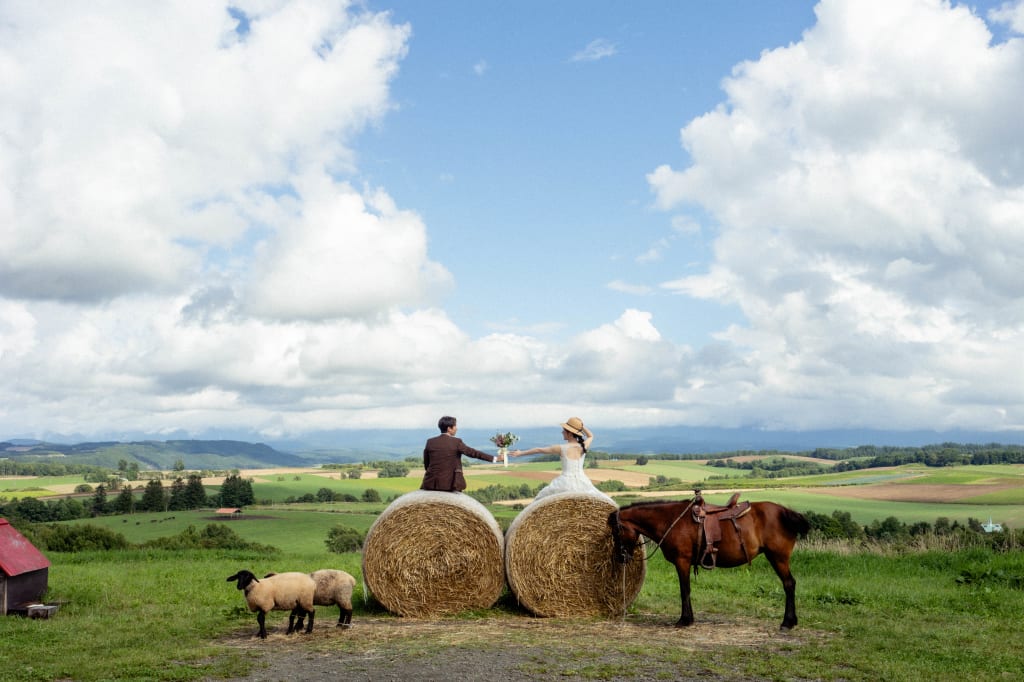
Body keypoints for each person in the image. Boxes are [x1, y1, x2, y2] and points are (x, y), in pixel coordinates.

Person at [508, 417, 614, 504]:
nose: (562, 432)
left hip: (565, 482)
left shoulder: (561, 448)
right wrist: (581, 427)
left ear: (570, 433)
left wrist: (521, 453)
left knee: (539, 501)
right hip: (582, 481)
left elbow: (539, 450)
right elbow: (591, 436)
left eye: (564, 430)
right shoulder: (583, 446)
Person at [421, 415, 500, 492]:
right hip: (449, 484)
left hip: (430, 483)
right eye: (455, 426)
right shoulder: (456, 442)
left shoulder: (430, 442)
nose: (457, 428)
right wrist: (495, 458)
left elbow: (427, 464)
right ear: (449, 428)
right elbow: (473, 453)